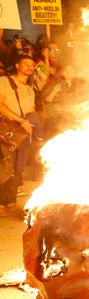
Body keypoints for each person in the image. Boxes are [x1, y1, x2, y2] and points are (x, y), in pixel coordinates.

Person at [0, 54, 40, 213]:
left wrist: (35, 125)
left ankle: (10, 201)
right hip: (5, 130)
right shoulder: (4, 81)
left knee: (17, 167)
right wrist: (19, 119)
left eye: (32, 64)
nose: (30, 66)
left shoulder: (30, 89)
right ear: (17, 65)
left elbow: (31, 110)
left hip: (22, 133)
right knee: (4, 166)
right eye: (25, 63)